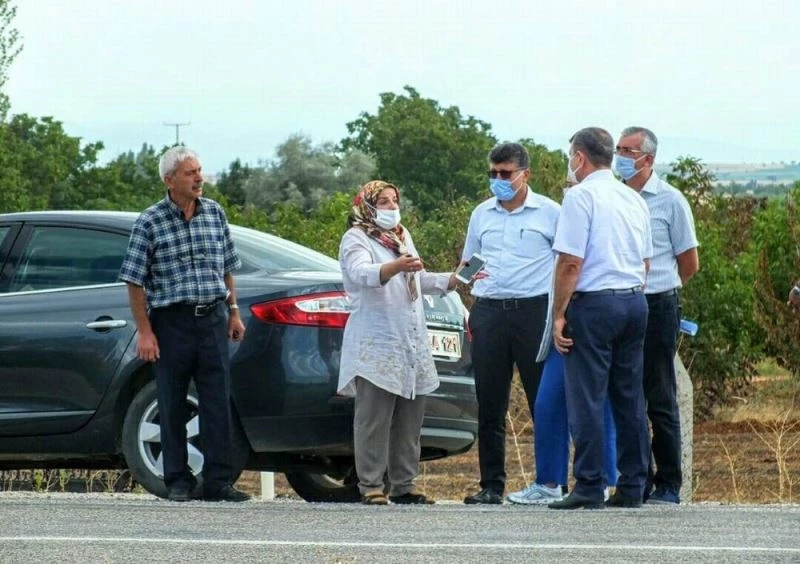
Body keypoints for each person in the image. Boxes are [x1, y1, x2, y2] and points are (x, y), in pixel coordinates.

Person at [119, 146, 250, 503]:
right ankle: (177, 479)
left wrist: (233, 311)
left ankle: (219, 481)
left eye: (199, 171)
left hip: (213, 318)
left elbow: (227, 268)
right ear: (169, 179)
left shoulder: (214, 213)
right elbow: (134, 280)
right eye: (191, 173)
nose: (199, 178)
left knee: (217, 401)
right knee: (172, 401)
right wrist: (145, 332)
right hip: (171, 322)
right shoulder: (150, 221)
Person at [548, 127, 652, 510]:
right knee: (630, 397)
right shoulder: (633, 198)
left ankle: (590, 484)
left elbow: (570, 262)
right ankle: (633, 484)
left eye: (570, 157)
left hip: (594, 305)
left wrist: (559, 313)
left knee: (587, 397)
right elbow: (645, 261)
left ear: (579, 157)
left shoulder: (580, 197)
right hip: (633, 301)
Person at [338, 180, 458, 505]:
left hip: (409, 341)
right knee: (373, 419)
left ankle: (404, 484)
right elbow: (362, 273)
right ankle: (371, 485)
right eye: (384, 202)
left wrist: (452, 279)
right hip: (377, 342)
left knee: (409, 419)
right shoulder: (356, 238)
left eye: (395, 201)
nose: (392, 207)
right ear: (367, 206)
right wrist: (395, 266)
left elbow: (417, 278)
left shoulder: (401, 236)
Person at [462, 142, 561, 505]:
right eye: (493, 173)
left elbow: (568, 262)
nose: (498, 180)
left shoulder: (550, 212)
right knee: (489, 402)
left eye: (505, 173)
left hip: (533, 311)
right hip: (489, 311)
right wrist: (463, 283)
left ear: (525, 174)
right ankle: (491, 485)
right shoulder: (482, 214)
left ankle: (550, 482)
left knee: (543, 401)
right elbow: (469, 261)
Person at [615, 126, 700, 504]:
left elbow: (689, 262)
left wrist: (662, 287)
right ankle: (637, 478)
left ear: (648, 158)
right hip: (622, 303)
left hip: (658, 304)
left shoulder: (670, 200)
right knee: (626, 393)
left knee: (660, 394)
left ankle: (668, 482)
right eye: (618, 149)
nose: (620, 157)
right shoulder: (614, 197)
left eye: (628, 151)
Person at [507, 263, 618, 505]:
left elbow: (570, 264)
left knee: (596, 402)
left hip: (593, 312)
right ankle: (549, 482)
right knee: (548, 403)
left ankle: (601, 481)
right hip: (569, 317)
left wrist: (558, 315)